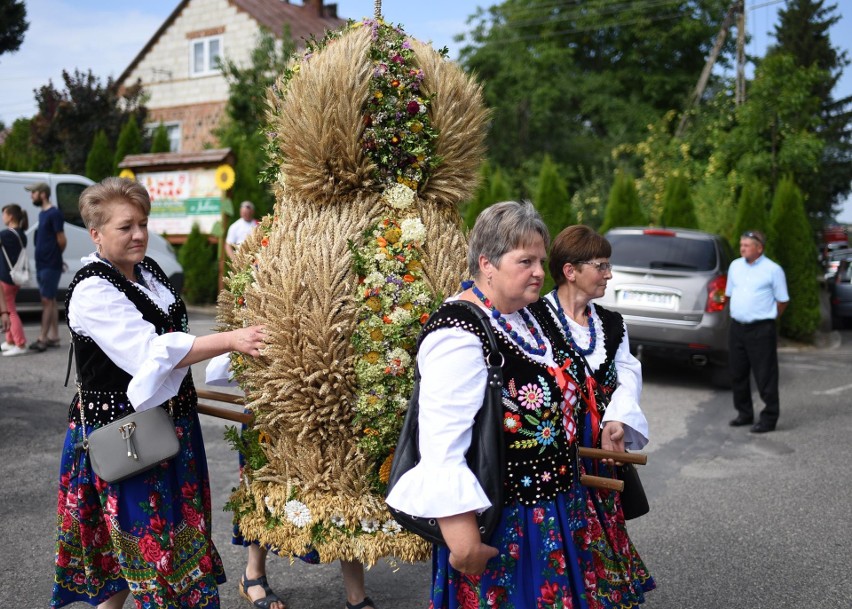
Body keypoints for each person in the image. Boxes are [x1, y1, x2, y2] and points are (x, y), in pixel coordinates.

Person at [387, 201, 652, 608]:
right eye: (525, 260)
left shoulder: (524, 316)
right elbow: (441, 448)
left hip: (557, 510)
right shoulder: (459, 332)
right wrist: (464, 546)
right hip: (507, 521)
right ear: (487, 263)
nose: (539, 272)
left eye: (541, 261)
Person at [50, 177, 266, 609]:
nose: (139, 234)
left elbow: (176, 340)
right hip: (125, 437)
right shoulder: (92, 289)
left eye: (143, 224)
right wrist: (231, 340)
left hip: (170, 430)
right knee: (139, 554)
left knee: (144, 553)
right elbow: (151, 352)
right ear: (96, 234)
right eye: (126, 226)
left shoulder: (149, 273)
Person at [530, 224, 655, 604]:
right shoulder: (533, 316)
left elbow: (627, 373)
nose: (609, 274)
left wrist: (615, 417)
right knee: (562, 524)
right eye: (601, 265)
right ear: (570, 270)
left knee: (600, 519)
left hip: (598, 450)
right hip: (553, 449)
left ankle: (602, 593)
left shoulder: (613, 324)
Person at [205, 356, 374, 609]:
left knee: (344, 487)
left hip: (333, 396)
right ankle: (253, 575)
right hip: (274, 396)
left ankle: (356, 594)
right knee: (265, 487)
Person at [725, 230, 789, 433]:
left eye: (746, 245)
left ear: (759, 248)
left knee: (765, 375)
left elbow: (782, 301)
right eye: (741, 244)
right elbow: (729, 294)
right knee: (737, 373)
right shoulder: (735, 265)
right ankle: (744, 413)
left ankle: (769, 418)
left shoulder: (773, 270)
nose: (742, 248)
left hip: (761, 329)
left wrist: (767, 318)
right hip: (737, 328)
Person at [27, 181, 66, 352]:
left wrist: (56, 258)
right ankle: (55, 337)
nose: (31, 196)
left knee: (46, 301)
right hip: (43, 263)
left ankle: (42, 338)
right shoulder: (42, 214)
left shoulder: (54, 213)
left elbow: (62, 240)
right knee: (51, 300)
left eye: (33, 193)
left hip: (50, 264)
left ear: (43, 194)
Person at [0, 203, 30, 356]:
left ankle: (20, 343)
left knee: (9, 310)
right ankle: (10, 340)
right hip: (15, 278)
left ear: (10, 216)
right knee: (9, 307)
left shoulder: (6, 235)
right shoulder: (21, 234)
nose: (3, 217)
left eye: (4, 214)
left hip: (6, 277)